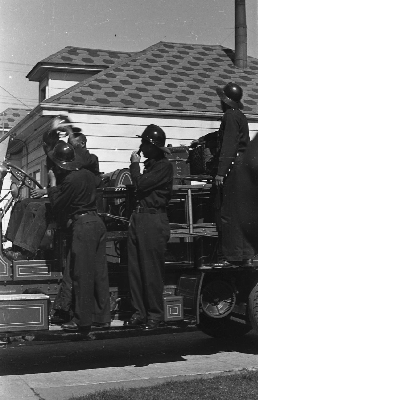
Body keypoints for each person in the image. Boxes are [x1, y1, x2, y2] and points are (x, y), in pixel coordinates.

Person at [47, 141, 110, 332]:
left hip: (83, 226)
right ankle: (102, 318)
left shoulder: (70, 180)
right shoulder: (89, 175)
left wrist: (52, 184)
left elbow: (58, 205)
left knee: (81, 274)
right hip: (97, 223)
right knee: (99, 274)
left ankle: (82, 320)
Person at [193, 82, 255, 265]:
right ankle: (245, 255)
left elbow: (229, 144)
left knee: (228, 214)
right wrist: (203, 139)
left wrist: (221, 172)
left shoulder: (229, 116)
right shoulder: (238, 116)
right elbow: (227, 135)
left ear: (226, 101)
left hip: (232, 170)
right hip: (242, 169)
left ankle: (233, 257)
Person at [124, 124, 173, 331]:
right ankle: (140, 312)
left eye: (144, 142)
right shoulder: (152, 165)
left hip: (152, 221)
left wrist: (134, 166)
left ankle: (155, 314)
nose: (141, 147)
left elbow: (141, 185)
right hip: (140, 219)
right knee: (135, 269)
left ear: (153, 146)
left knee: (151, 271)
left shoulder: (163, 166)